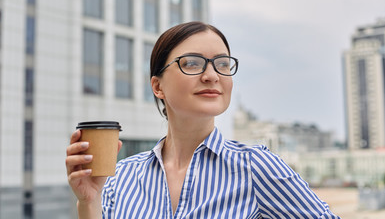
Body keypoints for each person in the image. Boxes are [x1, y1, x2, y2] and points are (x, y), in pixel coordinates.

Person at [66, 21, 340, 218]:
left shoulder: (255, 166)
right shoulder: (121, 178)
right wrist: (89, 203)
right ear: (157, 86)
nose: (212, 75)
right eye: (193, 63)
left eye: (222, 64)